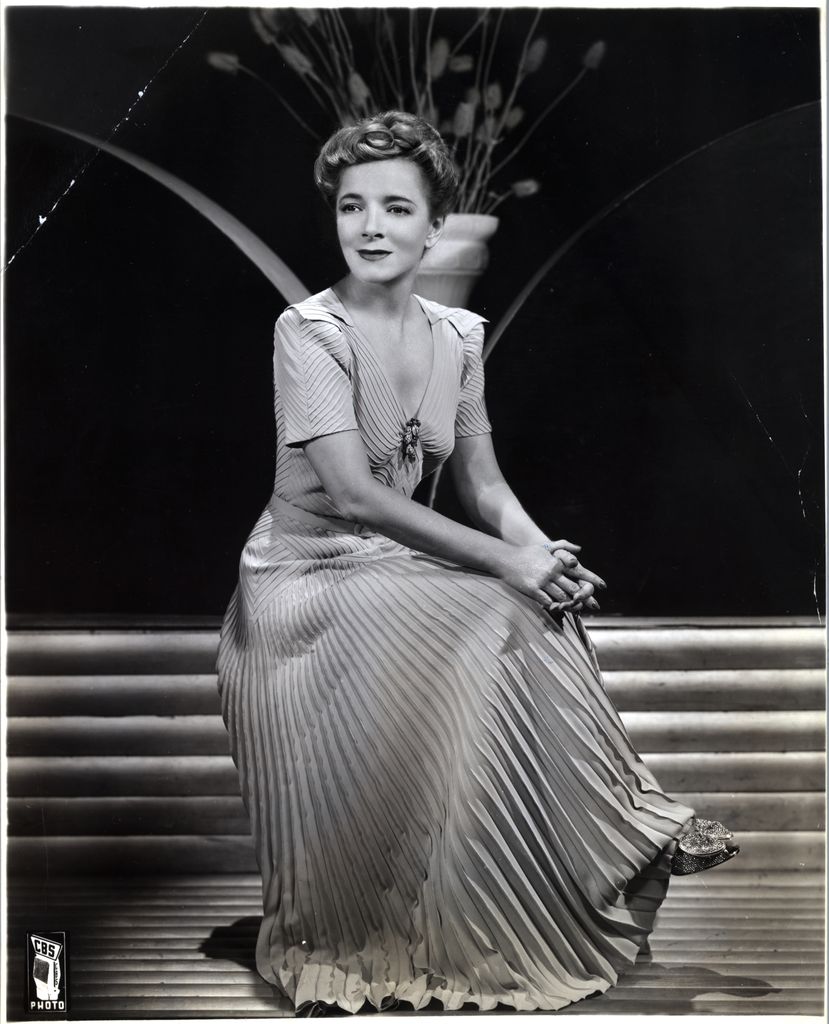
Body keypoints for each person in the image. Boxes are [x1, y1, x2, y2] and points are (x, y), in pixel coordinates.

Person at [216, 110, 738, 1016]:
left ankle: (621, 839)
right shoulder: (308, 329)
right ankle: (639, 826)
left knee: (539, 602)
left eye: (395, 208)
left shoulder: (457, 334)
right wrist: (508, 566)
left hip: (389, 568)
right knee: (500, 604)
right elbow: (355, 496)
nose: (370, 226)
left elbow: (484, 485)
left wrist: (541, 557)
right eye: (351, 206)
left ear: (434, 226)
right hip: (302, 578)